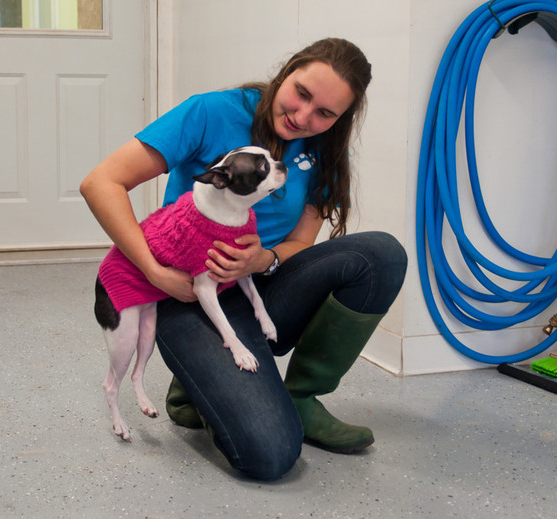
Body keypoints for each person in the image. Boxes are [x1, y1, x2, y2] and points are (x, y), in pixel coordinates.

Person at [80, 38, 407, 481]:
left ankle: (302, 397)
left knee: (382, 255)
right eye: (302, 93)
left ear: (339, 119)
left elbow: (299, 245)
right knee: (269, 455)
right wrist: (154, 271)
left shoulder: (325, 149)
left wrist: (262, 259)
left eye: (325, 113)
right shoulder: (210, 112)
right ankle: (194, 388)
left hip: (258, 282)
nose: (304, 117)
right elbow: (101, 183)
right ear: (287, 71)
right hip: (188, 291)